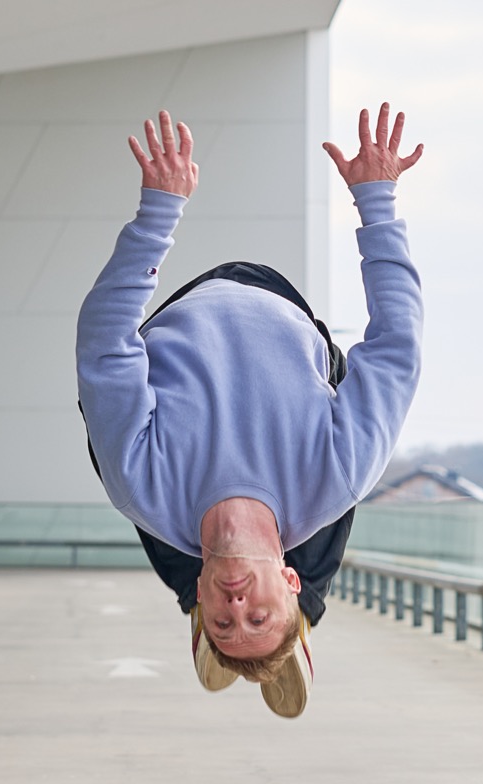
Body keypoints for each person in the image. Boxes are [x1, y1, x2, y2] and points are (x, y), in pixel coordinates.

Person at [77, 102, 423, 713]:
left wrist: (158, 213)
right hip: (283, 314)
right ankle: (304, 614)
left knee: (139, 489)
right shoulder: (334, 475)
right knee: (339, 492)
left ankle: (202, 598)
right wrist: (377, 204)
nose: (236, 608)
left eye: (224, 623)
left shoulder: (144, 487)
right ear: (287, 580)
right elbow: (396, 346)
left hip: (178, 327)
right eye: (256, 613)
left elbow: (105, 347)